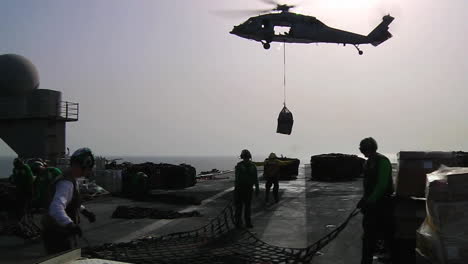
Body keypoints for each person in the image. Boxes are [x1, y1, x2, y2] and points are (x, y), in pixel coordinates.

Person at [42, 148, 97, 255]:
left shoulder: (71, 179)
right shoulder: (66, 183)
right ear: (82, 166)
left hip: (60, 232)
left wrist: (85, 211)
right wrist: (70, 224)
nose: (89, 172)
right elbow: (56, 208)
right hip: (57, 234)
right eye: (88, 168)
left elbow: (70, 201)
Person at [357, 137, 394, 264]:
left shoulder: (382, 161)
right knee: (368, 236)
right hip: (371, 205)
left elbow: (382, 185)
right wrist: (364, 199)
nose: (363, 152)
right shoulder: (367, 163)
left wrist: (369, 201)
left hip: (383, 205)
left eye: (364, 149)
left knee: (384, 235)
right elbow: (369, 185)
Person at [234, 149, 260, 228]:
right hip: (248, 189)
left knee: (239, 207)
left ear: (242, 157)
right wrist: (257, 188)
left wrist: (236, 189)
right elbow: (255, 178)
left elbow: (237, 178)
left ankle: (239, 223)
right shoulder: (253, 166)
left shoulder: (239, 166)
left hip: (240, 189)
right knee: (247, 207)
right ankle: (248, 223)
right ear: (249, 156)